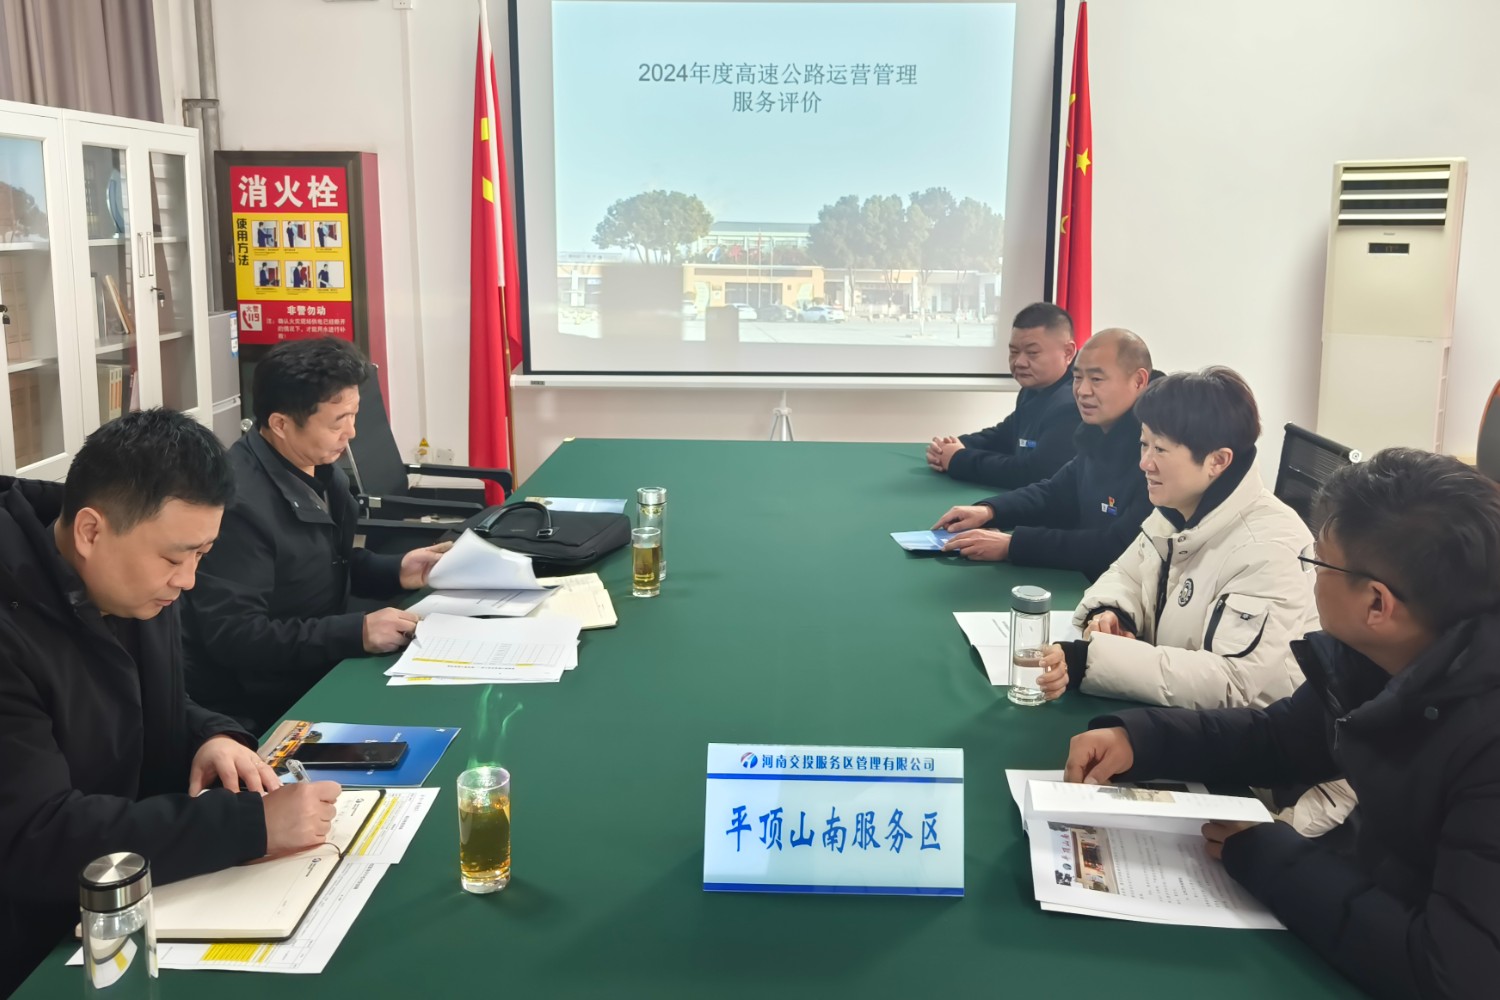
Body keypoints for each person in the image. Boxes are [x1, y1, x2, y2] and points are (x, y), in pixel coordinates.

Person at [1062, 449, 1500, 998]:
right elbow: (1279, 738)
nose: (1309, 577)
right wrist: (1140, 739)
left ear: (1377, 604)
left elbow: (1450, 973)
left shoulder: (1486, 743)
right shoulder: (1382, 658)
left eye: (1320, 563)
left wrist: (1270, 855)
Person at [0, 410, 341, 995]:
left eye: (202, 554)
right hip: (40, 944)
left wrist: (209, 735)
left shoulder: (129, 582)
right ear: (90, 531)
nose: (187, 580)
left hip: (146, 894)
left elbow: (140, 700)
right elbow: (35, 839)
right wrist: (250, 826)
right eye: (174, 558)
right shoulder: (13, 630)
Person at [183, 337, 450, 733]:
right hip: (265, 701)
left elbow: (320, 563)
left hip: (319, 665)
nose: (351, 432)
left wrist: (396, 570)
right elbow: (236, 635)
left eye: (354, 416)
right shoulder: (237, 506)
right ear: (281, 424)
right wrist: (356, 632)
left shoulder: (317, 469)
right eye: (337, 422)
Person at [1034, 367, 1317, 709]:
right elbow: (1127, 574)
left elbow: (1230, 682)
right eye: (1144, 444)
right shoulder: (1177, 507)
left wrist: (1090, 660)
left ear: (1217, 461)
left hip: (1244, 731)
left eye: (1161, 450)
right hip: (1172, 710)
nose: (1144, 463)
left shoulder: (1268, 548)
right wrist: (1112, 614)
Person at [933, 329, 1158, 580]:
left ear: (1139, 381)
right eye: (1077, 378)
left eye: (1096, 379)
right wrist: (990, 511)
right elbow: (1054, 492)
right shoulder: (1097, 432)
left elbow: (1118, 546)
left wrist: (1012, 545)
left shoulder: (1156, 451)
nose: (1082, 391)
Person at [926, 302, 1081, 489]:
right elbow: (1006, 435)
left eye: (1032, 353)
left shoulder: (1075, 402)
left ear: (1068, 352)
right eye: (1014, 352)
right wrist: (954, 446)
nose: (1019, 362)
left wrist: (958, 459)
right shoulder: (1035, 388)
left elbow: (1033, 473)